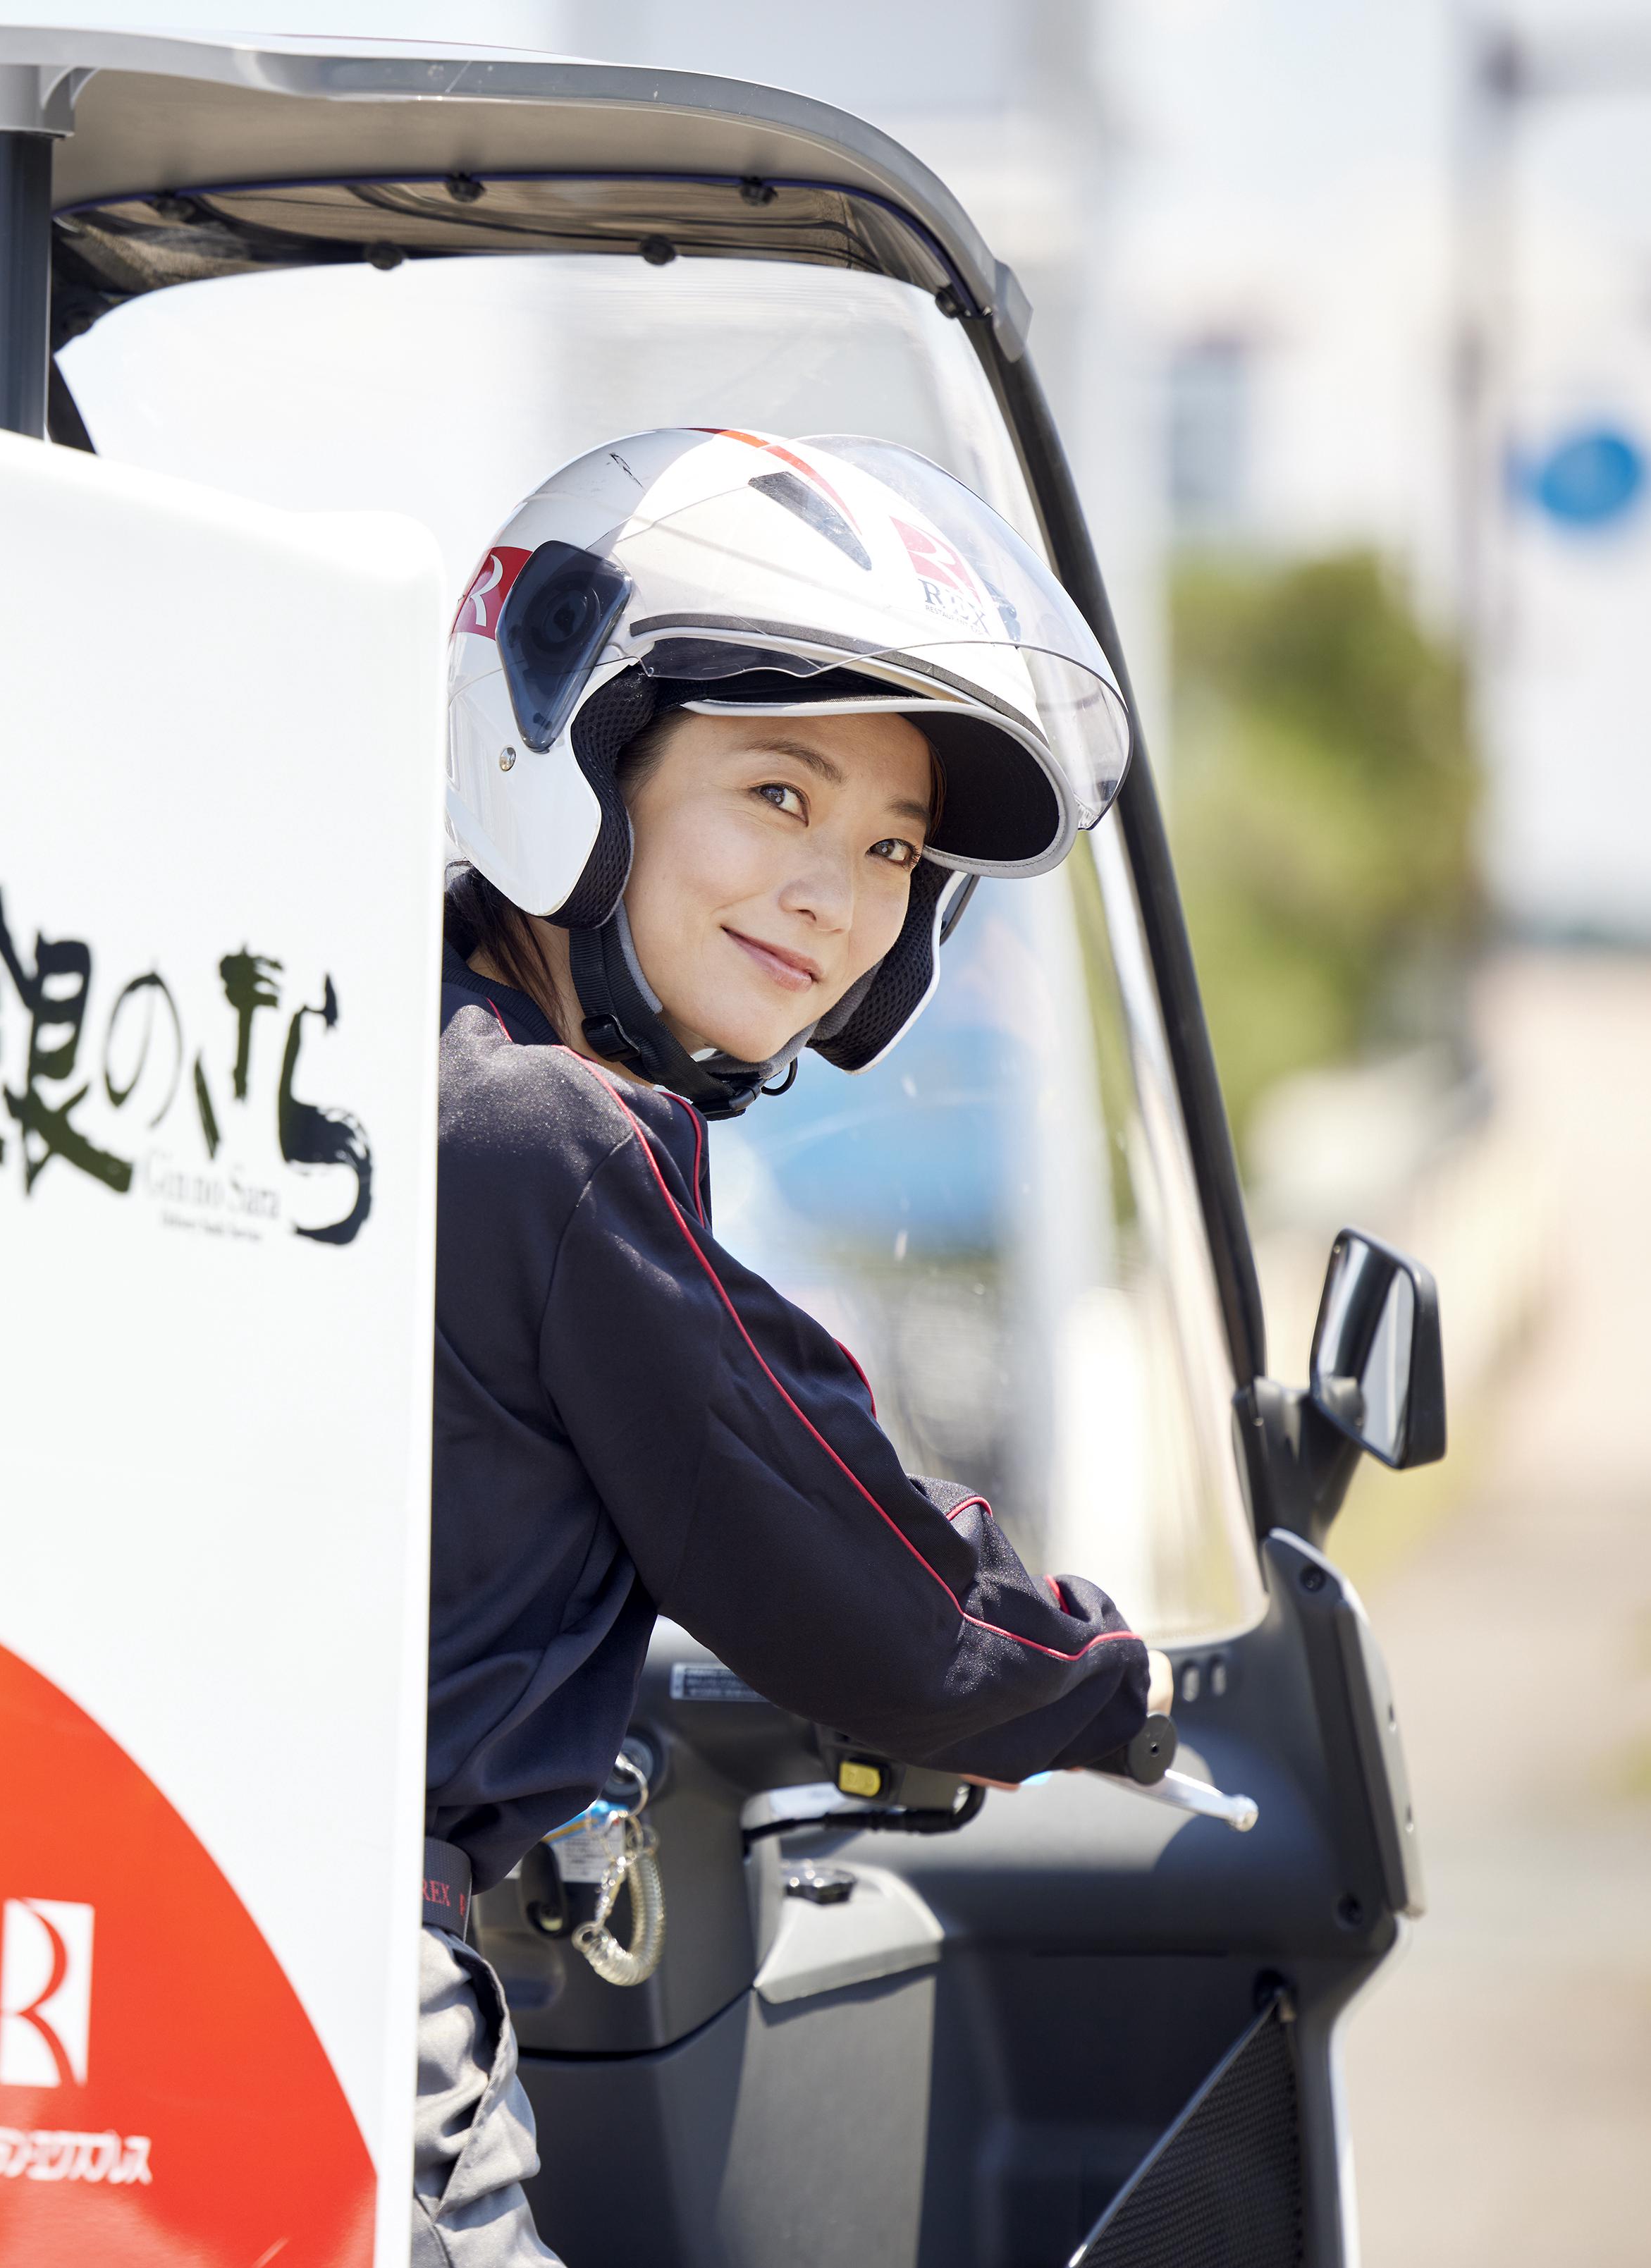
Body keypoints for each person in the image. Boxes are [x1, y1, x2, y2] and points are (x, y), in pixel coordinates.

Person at [413, 428, 1175, 2266]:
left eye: (891, 844)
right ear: (582, 766)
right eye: (776, 791)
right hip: (345, 1995)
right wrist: (1114, 1687)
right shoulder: (556, 1142)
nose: (837, 893)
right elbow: (874, 1588)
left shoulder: (379, 1046)